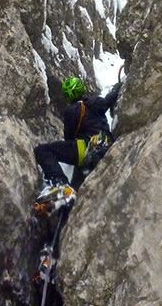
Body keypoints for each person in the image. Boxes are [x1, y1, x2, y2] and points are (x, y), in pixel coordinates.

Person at [33, 76, 121, 208]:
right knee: (79, 180)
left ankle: (60, 184)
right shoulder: (95, 101)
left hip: (85, 149)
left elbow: (69, 137)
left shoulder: (71, 111)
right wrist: (117, 87)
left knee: (43, 150)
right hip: (105, 146)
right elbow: (109, 99)